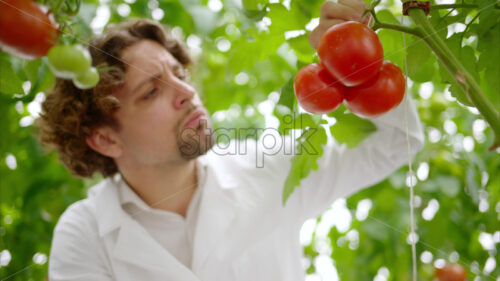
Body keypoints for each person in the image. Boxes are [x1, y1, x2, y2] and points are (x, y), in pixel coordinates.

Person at [37, 0, 424, 280]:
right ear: (105, 139)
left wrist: (353, 56)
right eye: (151, 92)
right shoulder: (85, 233)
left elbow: (397, 142)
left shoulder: (269, 167)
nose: (187, 93)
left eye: (179, 75)